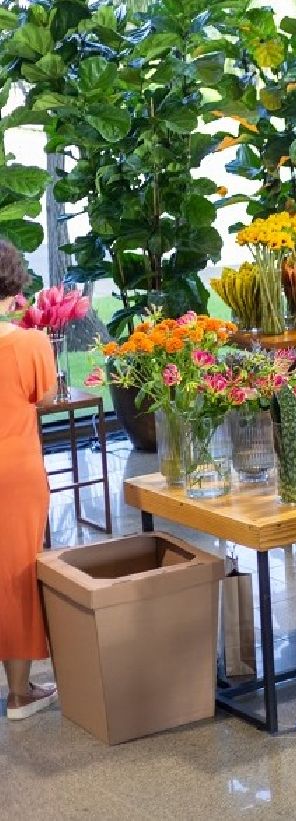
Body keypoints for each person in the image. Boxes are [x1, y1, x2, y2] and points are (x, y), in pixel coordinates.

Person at [0, 239, 59, 720]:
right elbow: (42, 397)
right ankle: (19, 693)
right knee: (15, 577)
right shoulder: (29, 343)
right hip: (14, 474)